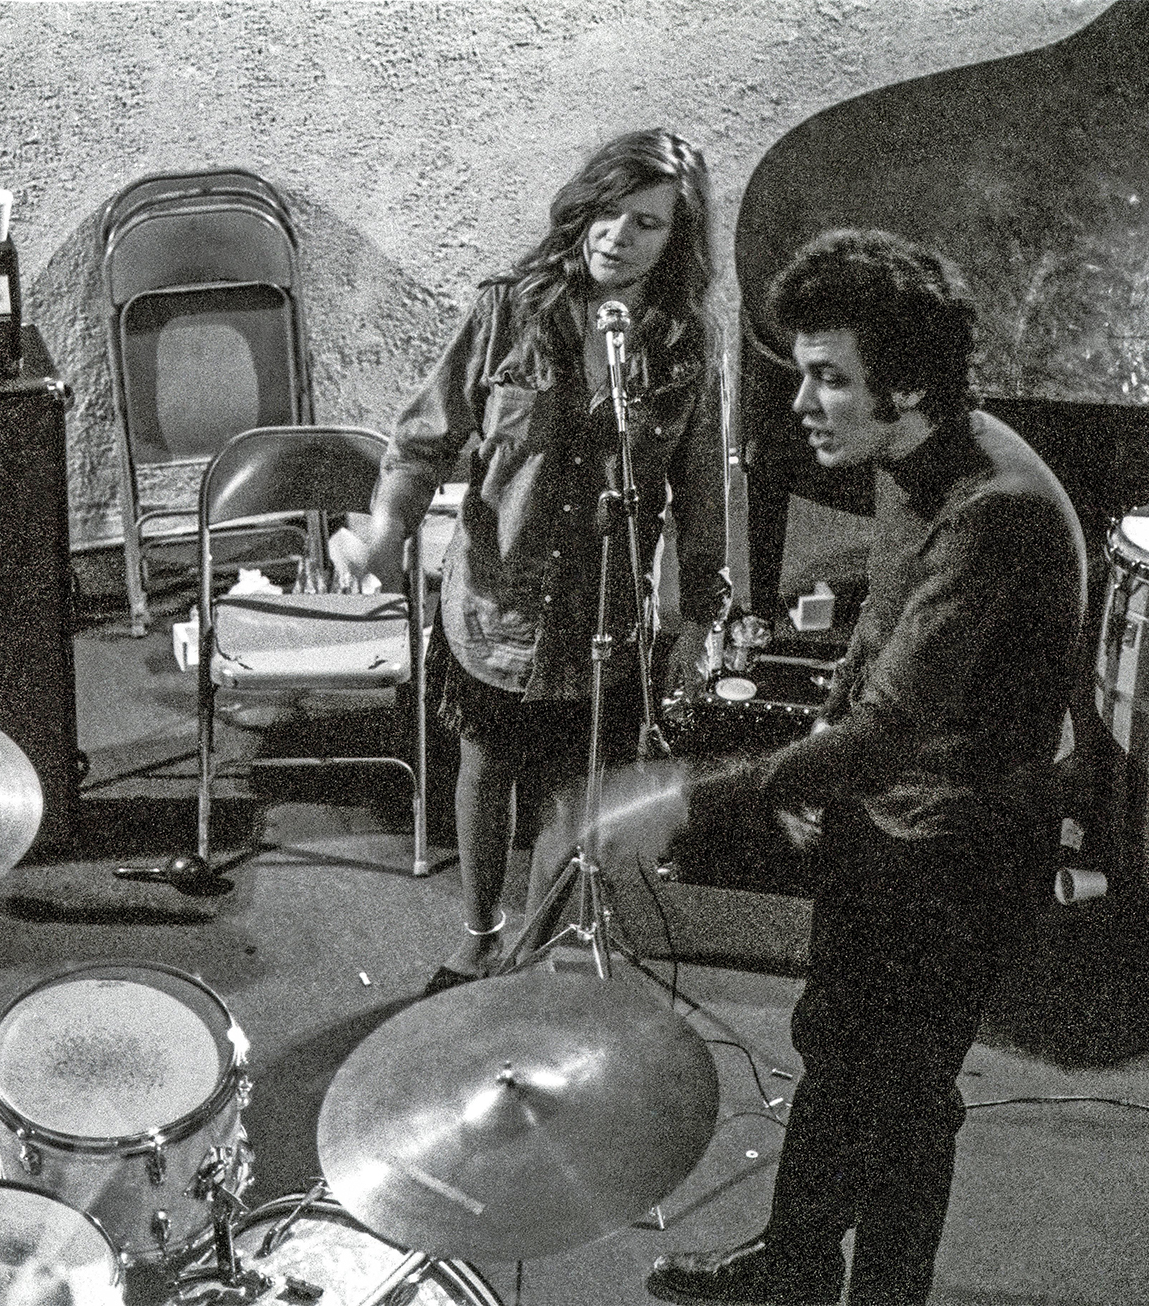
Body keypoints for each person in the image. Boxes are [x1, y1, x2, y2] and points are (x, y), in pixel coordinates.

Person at [641, 229, 1086, 1305]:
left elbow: (890, 733)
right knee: (834, 1044)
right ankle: (793, 1263)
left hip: (954, 856)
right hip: (882, 823)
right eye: (803, 372)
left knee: (904, 1102)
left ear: (908, 386)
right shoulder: (905, 455)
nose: (801, 401)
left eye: (828, 378)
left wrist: (693, 798)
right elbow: (878, 635)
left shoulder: (995, 513)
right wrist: (821, 756)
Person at [357, 127, 727, 992]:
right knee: (486, 772)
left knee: (571, 793)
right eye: (604, 211)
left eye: (645, 222)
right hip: (496, 606)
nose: (615, 235)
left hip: (601, 613)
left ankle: (539, 942)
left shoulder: (682, 347)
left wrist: (700, 615)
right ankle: (480, 933)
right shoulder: (507, 311)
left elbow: (703, 494)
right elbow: (420, 446)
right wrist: (385, 533)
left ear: (677, 238)